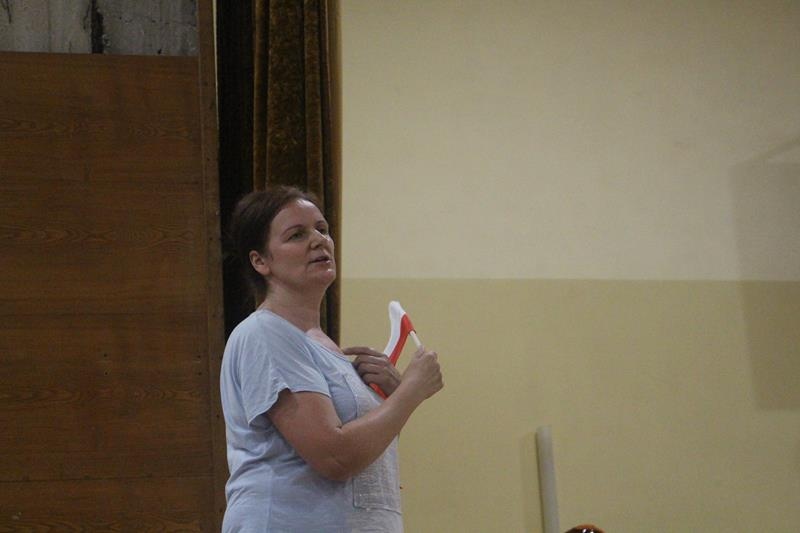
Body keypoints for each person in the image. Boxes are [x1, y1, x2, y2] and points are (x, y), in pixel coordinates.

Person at [220, 186, 444, 532]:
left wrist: (393, 395)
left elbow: (366, 458)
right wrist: (410, 393)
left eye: (322, 229)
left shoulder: (324, 347)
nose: (318, 240)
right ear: (260, 261)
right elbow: (335, 457)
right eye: (297, 235)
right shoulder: (265, 333)